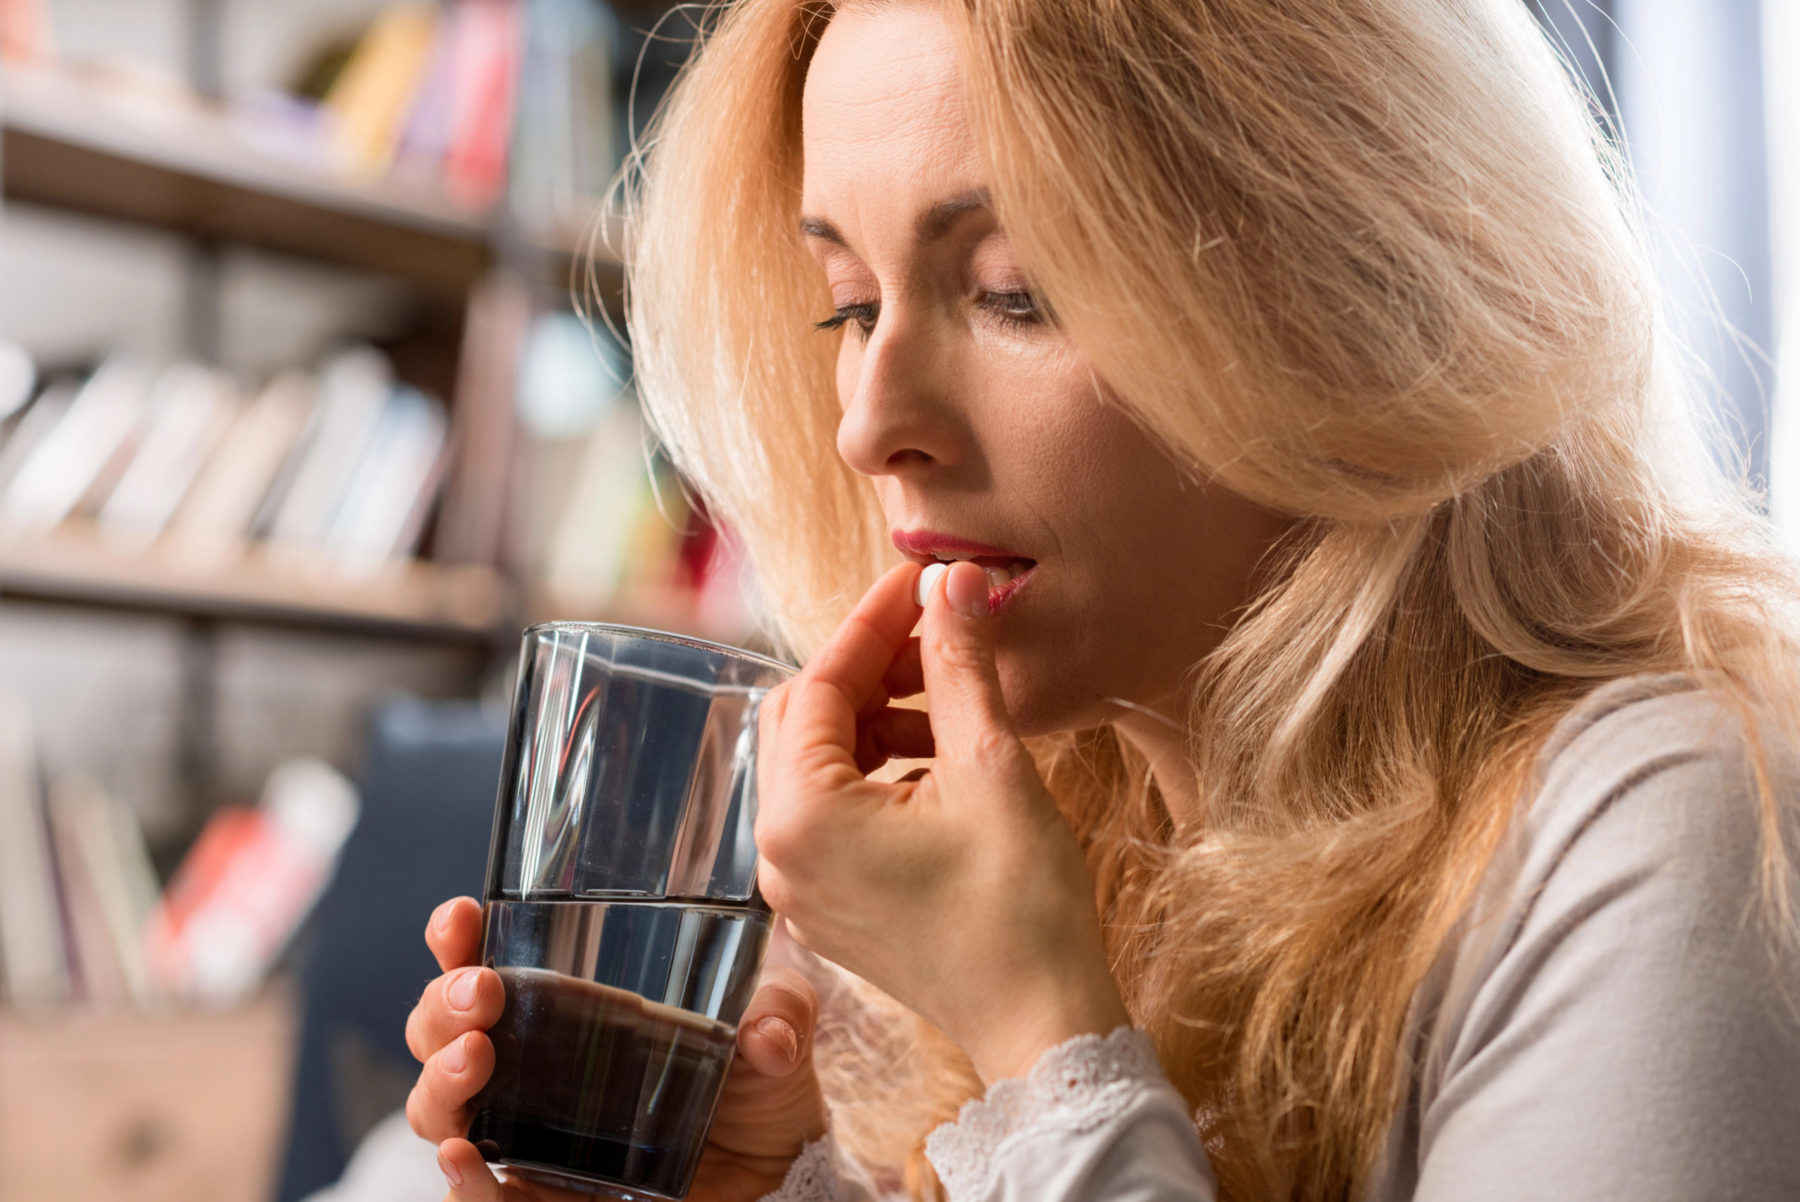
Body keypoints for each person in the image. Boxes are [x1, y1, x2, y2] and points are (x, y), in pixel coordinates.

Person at [404, 0, 1800, 1199]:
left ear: (1347, 302)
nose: (870, 422)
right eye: (847, 305)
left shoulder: (1666, 820)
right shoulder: (1060, 836)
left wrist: (1038, 1037)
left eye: (1017, 292)